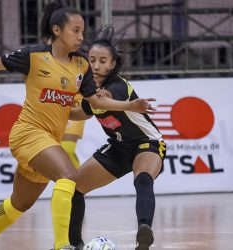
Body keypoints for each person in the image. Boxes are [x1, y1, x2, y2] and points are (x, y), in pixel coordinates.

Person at [0, 2, 154, 250]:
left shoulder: (81, 64)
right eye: (75, 30)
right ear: (57, 30)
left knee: (19, 204)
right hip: (27, 133)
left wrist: (129, 106)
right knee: (69, 175)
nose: (81, 37)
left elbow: (93, 102)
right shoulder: (34, 56)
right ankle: (62, 246)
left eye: (82, 31)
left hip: (48, 141)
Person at [65, 26, 166, 250]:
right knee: (75, 188)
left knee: (143, 179)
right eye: (92, 60)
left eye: (102, 60)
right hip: (118, 147)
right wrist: (53, 105)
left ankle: (144, 232)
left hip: (147, 143)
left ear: (112, 64)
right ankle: (75, 245)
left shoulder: (115, 87)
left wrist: (127, 104)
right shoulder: (90, 90)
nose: (97, 65)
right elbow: (80, 112)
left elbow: (104, 98)